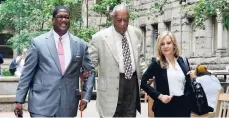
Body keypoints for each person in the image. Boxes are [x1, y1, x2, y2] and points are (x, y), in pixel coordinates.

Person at [14, 6, 95, 117]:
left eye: (67, 17)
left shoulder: (80, 45)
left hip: (68, 105)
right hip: (41, 104)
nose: (64, 20)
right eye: (60, 17)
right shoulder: (38, 43)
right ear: (53, 20)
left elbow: (90, 71)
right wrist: (19, 100)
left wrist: (86, 96)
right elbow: (27, 74)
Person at [88, 4, 146, 117]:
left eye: (126, 20)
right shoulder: (99, 38)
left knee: (130, 115)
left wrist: (146, 73)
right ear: (112, 18)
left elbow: (141, 58)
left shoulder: (136, 33)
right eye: (119, 20)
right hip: (109, 89)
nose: (122, 24)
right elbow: (91, 63)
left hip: (132, 84)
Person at [141, 31, 196, 117]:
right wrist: (160, 96)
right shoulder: (157, 63)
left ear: (174, 44)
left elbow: (186, 85)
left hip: (183, 107)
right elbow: (143, 83)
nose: (165, 46)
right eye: (162, 44)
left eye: (168, 43)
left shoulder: (183, 61)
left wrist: (192, 77)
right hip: (165, 107)